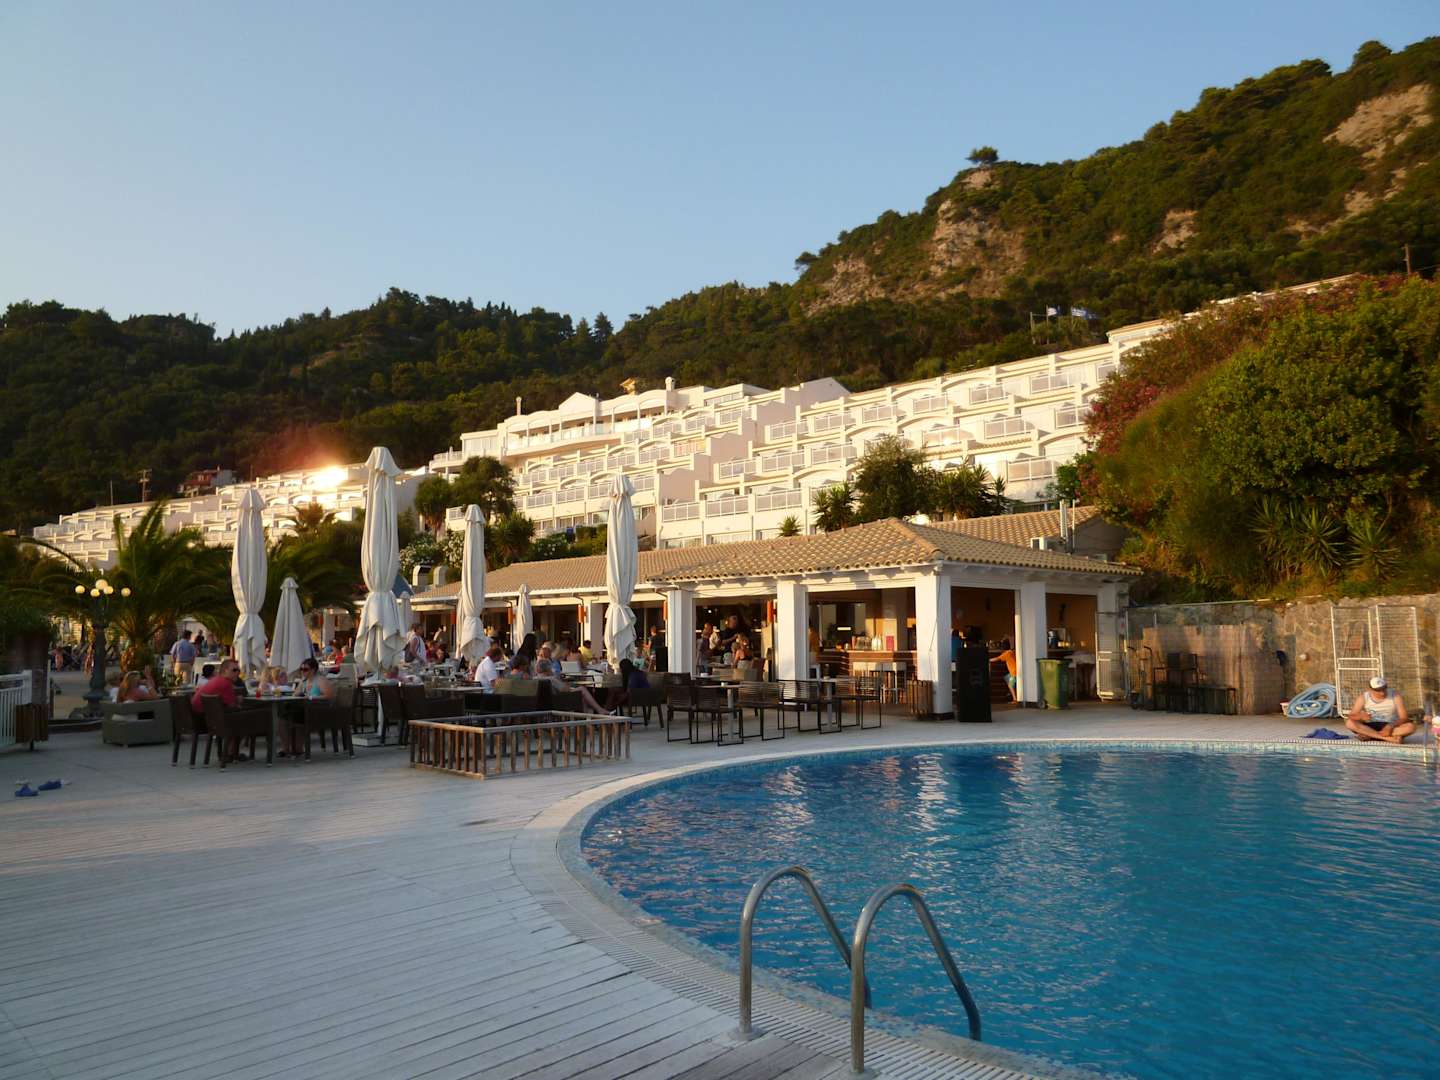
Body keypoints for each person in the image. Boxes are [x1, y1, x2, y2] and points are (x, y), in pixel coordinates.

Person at [1345, 676, 1415, 743]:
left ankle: (1370, 735)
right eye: (1378, 690)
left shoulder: (1395, 695)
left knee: (1410, 727)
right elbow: (1351, 716)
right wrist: (1360, 717)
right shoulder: (1363, 697)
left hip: (1391, 725)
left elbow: (1404, 718)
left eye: (1384, 688)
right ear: (1370, 690)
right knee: (1349, 723)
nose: (1382, 693)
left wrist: (1390, 726)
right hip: (1370, 725)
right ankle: (1387, 738)